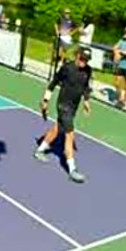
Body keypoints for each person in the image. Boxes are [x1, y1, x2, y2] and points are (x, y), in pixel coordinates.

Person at [34, 47, 93, 183]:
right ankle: (72, 169)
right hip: (63, 105)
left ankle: (40, 150)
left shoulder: (88, 70)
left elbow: (85, 87)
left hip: (73, 107)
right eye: (82, 58)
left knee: (57, 129)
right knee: (69, 135)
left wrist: (86, 100)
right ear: (77, 56)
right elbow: (53, 83)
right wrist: (45, 100)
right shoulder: (67, 68)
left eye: (86, 60)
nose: (84, 62)